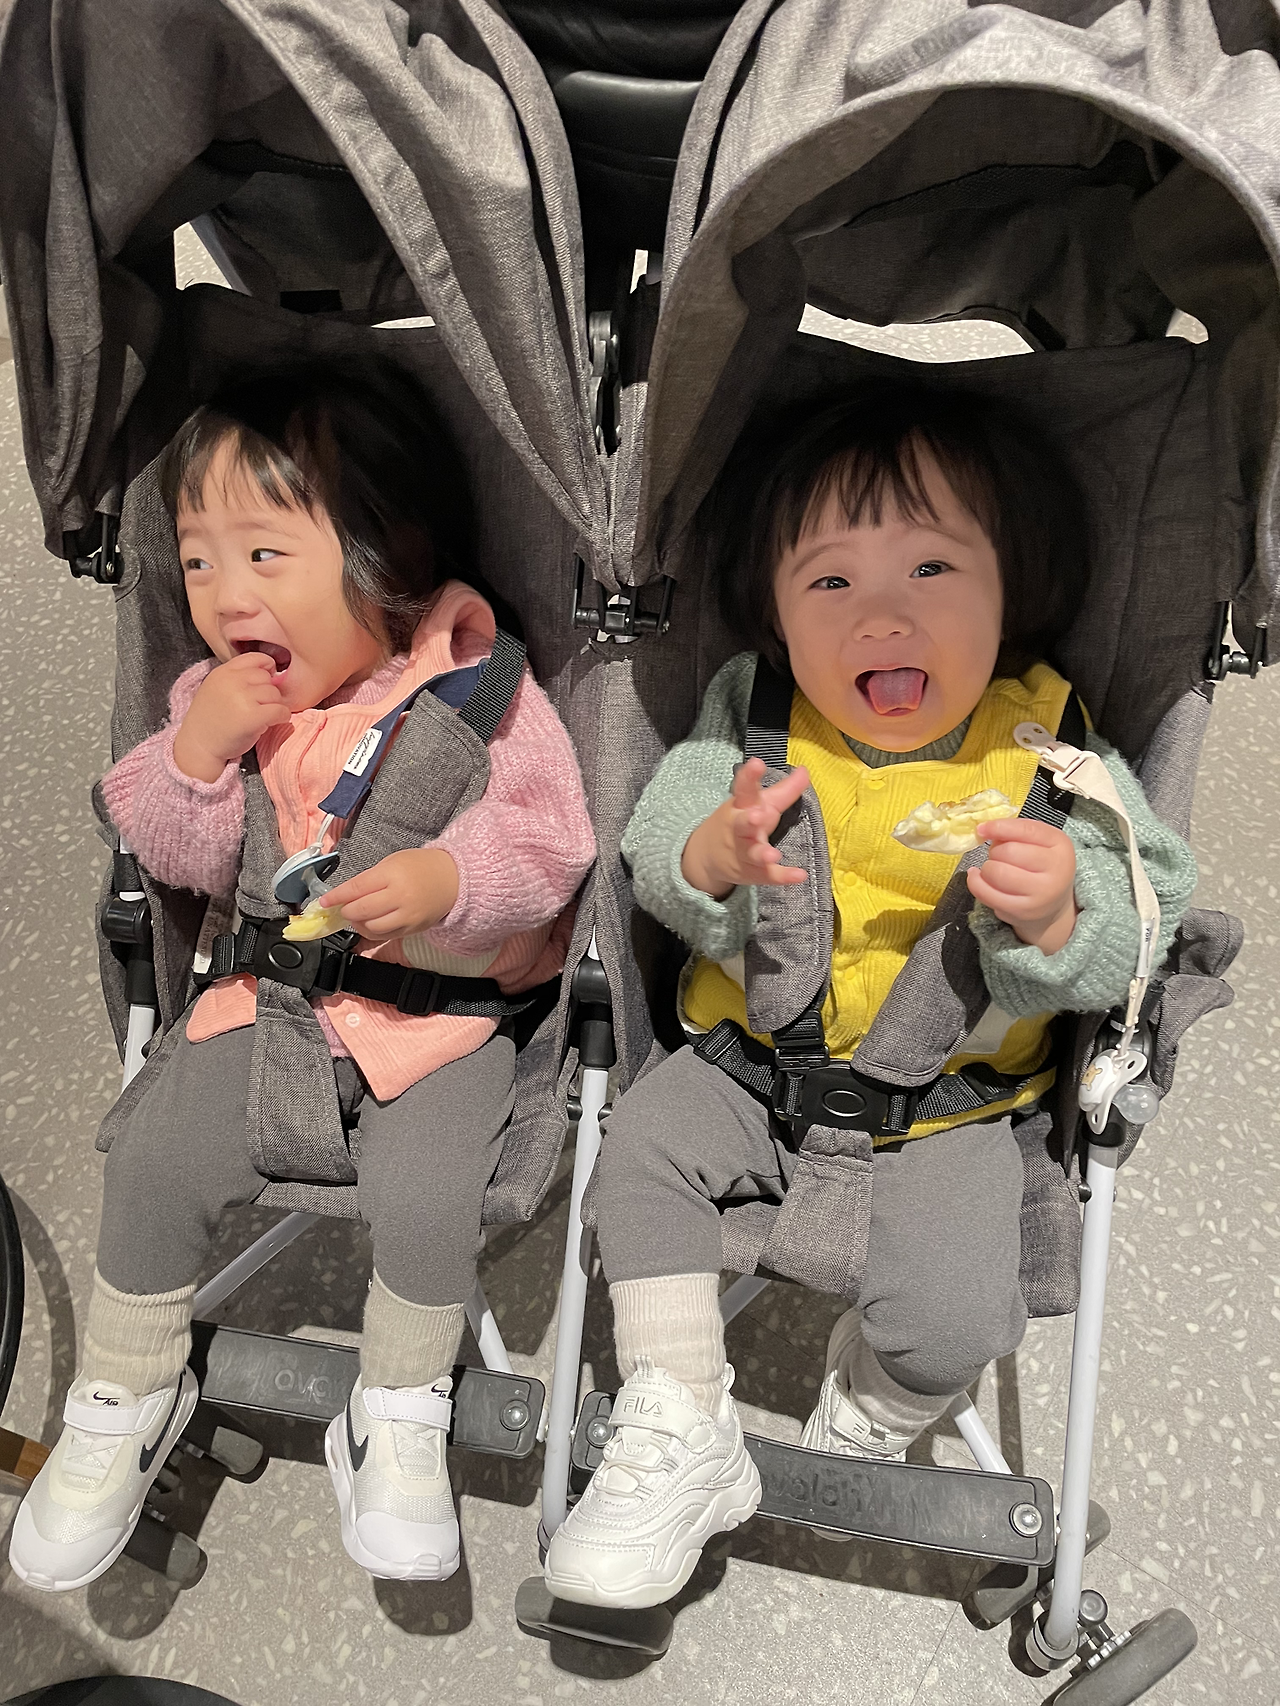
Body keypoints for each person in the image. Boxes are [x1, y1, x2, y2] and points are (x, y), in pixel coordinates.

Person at [543, 384, 1197, 1610]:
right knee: (632, 1159)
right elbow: (660, 828)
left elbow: (1148, 909)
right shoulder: (757, 716)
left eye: (932, 568)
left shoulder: (1050, 750)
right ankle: (680, 1411)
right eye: (830, 580)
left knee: (957, 1320)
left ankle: (872, 1403)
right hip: (744, 1066)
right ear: (776, 612)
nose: (881, 614)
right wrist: (709, 856)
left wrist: (1062, 916)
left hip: (948, 1101)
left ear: (1011, 591)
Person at [10, 362, 595, 1592]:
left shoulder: (478, 689)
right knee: (152, 1158)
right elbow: (179, 857)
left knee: (432, 1193)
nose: (225, 596)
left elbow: (551, 844)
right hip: (264, 999)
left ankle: (397, 1407)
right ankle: (123, 1388)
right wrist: (195, 758)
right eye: (198, 560)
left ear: (387, 559)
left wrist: (449, 877)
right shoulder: (212, 703)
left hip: (438, 1018)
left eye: (265, 556)